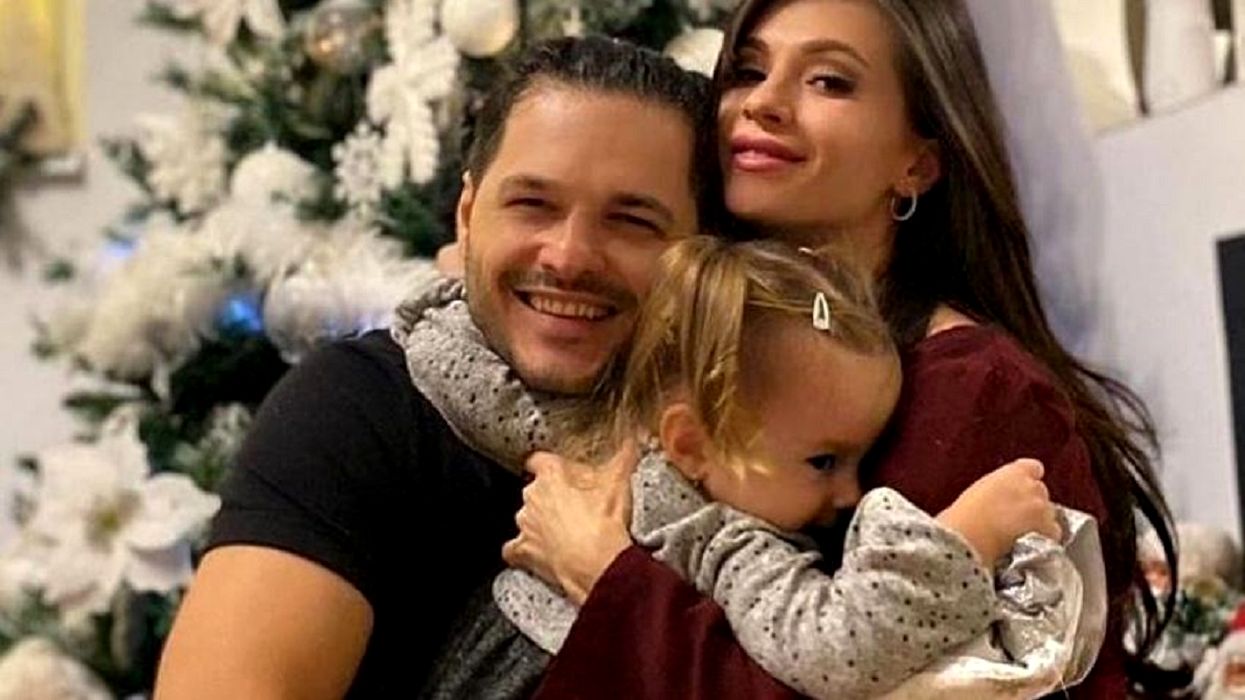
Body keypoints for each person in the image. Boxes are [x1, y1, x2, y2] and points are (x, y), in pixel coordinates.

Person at [502, 1, 1178, 698]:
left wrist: (608, 580)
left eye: (828, 81)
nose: (762, 102)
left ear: (918, 162)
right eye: (747, 71)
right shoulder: (692, 331)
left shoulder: (974, 393)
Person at [153, 37, 710, 698]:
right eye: (532, 205)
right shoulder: (356, 409)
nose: (569, 257)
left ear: (704, 253)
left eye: (632, 221)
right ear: (468, 216)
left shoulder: (750, 455)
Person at [412, 235, 1076, 699]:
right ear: (690, 443)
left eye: (859, 459)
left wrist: (446, 298)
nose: (850, 494)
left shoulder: (601, 444)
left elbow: (482, 397)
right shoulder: (728, 541)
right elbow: (836, 649)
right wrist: (963, 536)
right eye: (823, 461)